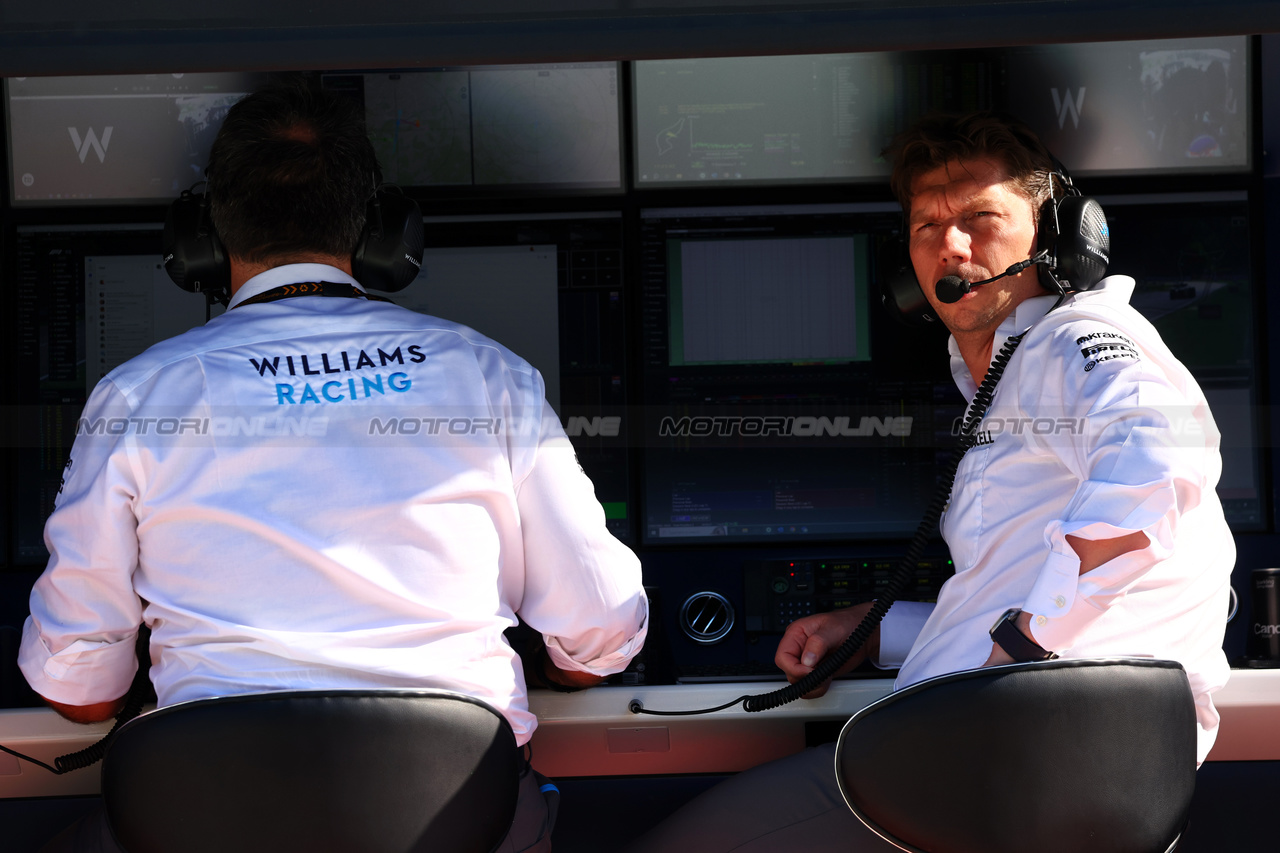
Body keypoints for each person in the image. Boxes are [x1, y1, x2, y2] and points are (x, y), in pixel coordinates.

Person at [19, 84, 647, 853]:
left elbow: (80, 690)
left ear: (201, 237)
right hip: (461, 819)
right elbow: (603, 630)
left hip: (207, 820)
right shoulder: (487, 375)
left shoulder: (139, 395)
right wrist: (554, 673)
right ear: (383, 228)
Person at [628, 111, 1233, 852]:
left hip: (1003, 759)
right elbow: (1026, 585)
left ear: (1054, 234)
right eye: (927, 227)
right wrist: (879, 630)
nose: (951, 244)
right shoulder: (1006, 378)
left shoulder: (1072, 338)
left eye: (981, 218)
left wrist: (1021, 645)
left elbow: (1158, 468)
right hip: (1017, 762)